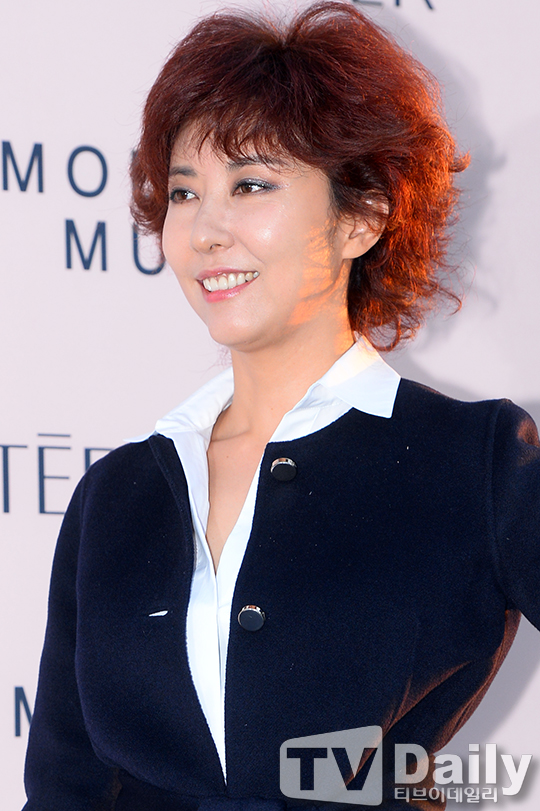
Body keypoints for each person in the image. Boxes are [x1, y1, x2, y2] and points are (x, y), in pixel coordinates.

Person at [22, 2, 540, 810]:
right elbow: (65, 788)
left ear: (362, 217)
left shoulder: (474, 462)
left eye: (251, 185)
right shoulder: (114, 497)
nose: (206, 230)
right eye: (185, 192)